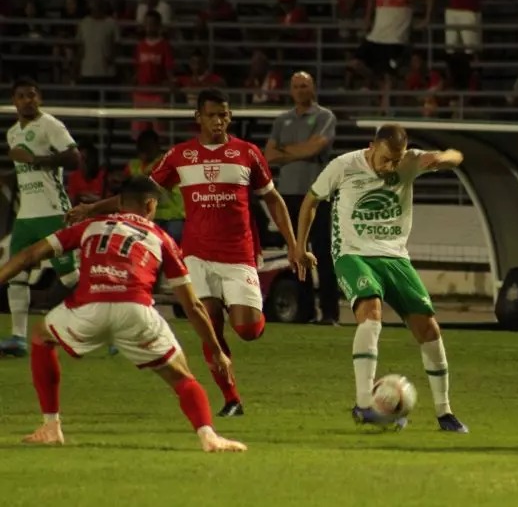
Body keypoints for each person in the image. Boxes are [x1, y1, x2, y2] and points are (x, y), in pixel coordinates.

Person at [68, 89, 304, 418]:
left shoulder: (247, 153)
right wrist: (92, 209)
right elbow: (139, 194)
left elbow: (273, 199)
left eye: (224, 115)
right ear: (198, 118)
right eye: (212, 115)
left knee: (247, 330)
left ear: (230, 117)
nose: (218, 121)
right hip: (196, 254)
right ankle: (232, 399)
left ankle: (254, 320)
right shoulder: (181, 156)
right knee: (209, 323)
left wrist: (294, 245)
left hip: (238, 254)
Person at [0, 176, 245, 452]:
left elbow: (29, 255)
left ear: (120, 203)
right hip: (136, 311)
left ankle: (51, 426)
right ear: (150, 205)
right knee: (182, 376)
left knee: (41, 337)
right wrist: (216, 350)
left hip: (88, 308)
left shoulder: (90, 226)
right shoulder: (161, 237)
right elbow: (193, 305)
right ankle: (208, 436)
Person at [295, 123, 468, 433]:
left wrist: (441, 159)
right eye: (386, 158)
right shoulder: (344, 166)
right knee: (371, 313)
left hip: (395, 257)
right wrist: (300, 247)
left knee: (428, 327)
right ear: (371, 146)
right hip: (353, 254)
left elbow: (457, 156)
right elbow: (310, 202)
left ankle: (445, 413)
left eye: (396, 160)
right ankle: (364, 403)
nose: (391, 166)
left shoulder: (410, 161)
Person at [1, 78, 80, 357]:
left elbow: (74, 158)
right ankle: (17, 338)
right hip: (26, 217)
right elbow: (25, 173)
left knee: (70, 278)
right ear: (14, 101)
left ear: (40, 98)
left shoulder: (51, 125)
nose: (28, 100)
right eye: (22, 96)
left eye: (32, 95)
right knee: (16, 276)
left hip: (53, 212)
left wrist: (38, 160)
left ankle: (105, 327)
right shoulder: (12, 133)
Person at [265, 72, 339, 325]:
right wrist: (300, 151)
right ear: (290, 90)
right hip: (287, 195)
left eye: (304, 85)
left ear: (313, 88)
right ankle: (304, 312)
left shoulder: (324, 116)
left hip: (316, 194)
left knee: (322, 252)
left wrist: (286, 152)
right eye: (296, 86)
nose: (300, 90)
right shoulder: (281, 120)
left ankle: (329, 314)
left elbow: (315, 147)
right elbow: (269, 155)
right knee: (296, 254)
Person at [125, 129, 184, 244]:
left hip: (173, 216)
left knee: (170, 238)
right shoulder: (133, 165)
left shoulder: (166, 161)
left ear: (157, 146)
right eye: (142, 146)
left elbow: (151, 180)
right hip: (147, 215)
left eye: (149, 146)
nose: (146, 149)